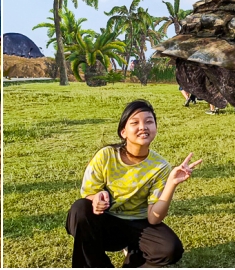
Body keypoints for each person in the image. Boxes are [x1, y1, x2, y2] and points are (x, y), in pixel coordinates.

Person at [66, 100, 201, 267]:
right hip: (106, 222)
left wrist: (171, 184)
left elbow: (153, 218)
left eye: (149, 121)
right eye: (135, 123)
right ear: (123, 132)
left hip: (138, 225)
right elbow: (88, 192)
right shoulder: (106, 156)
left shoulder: (160, 167)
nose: (143, 126)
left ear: (155, 129)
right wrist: (96, 199)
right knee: (79, 210)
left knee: (169, 248)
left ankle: (134, 256)